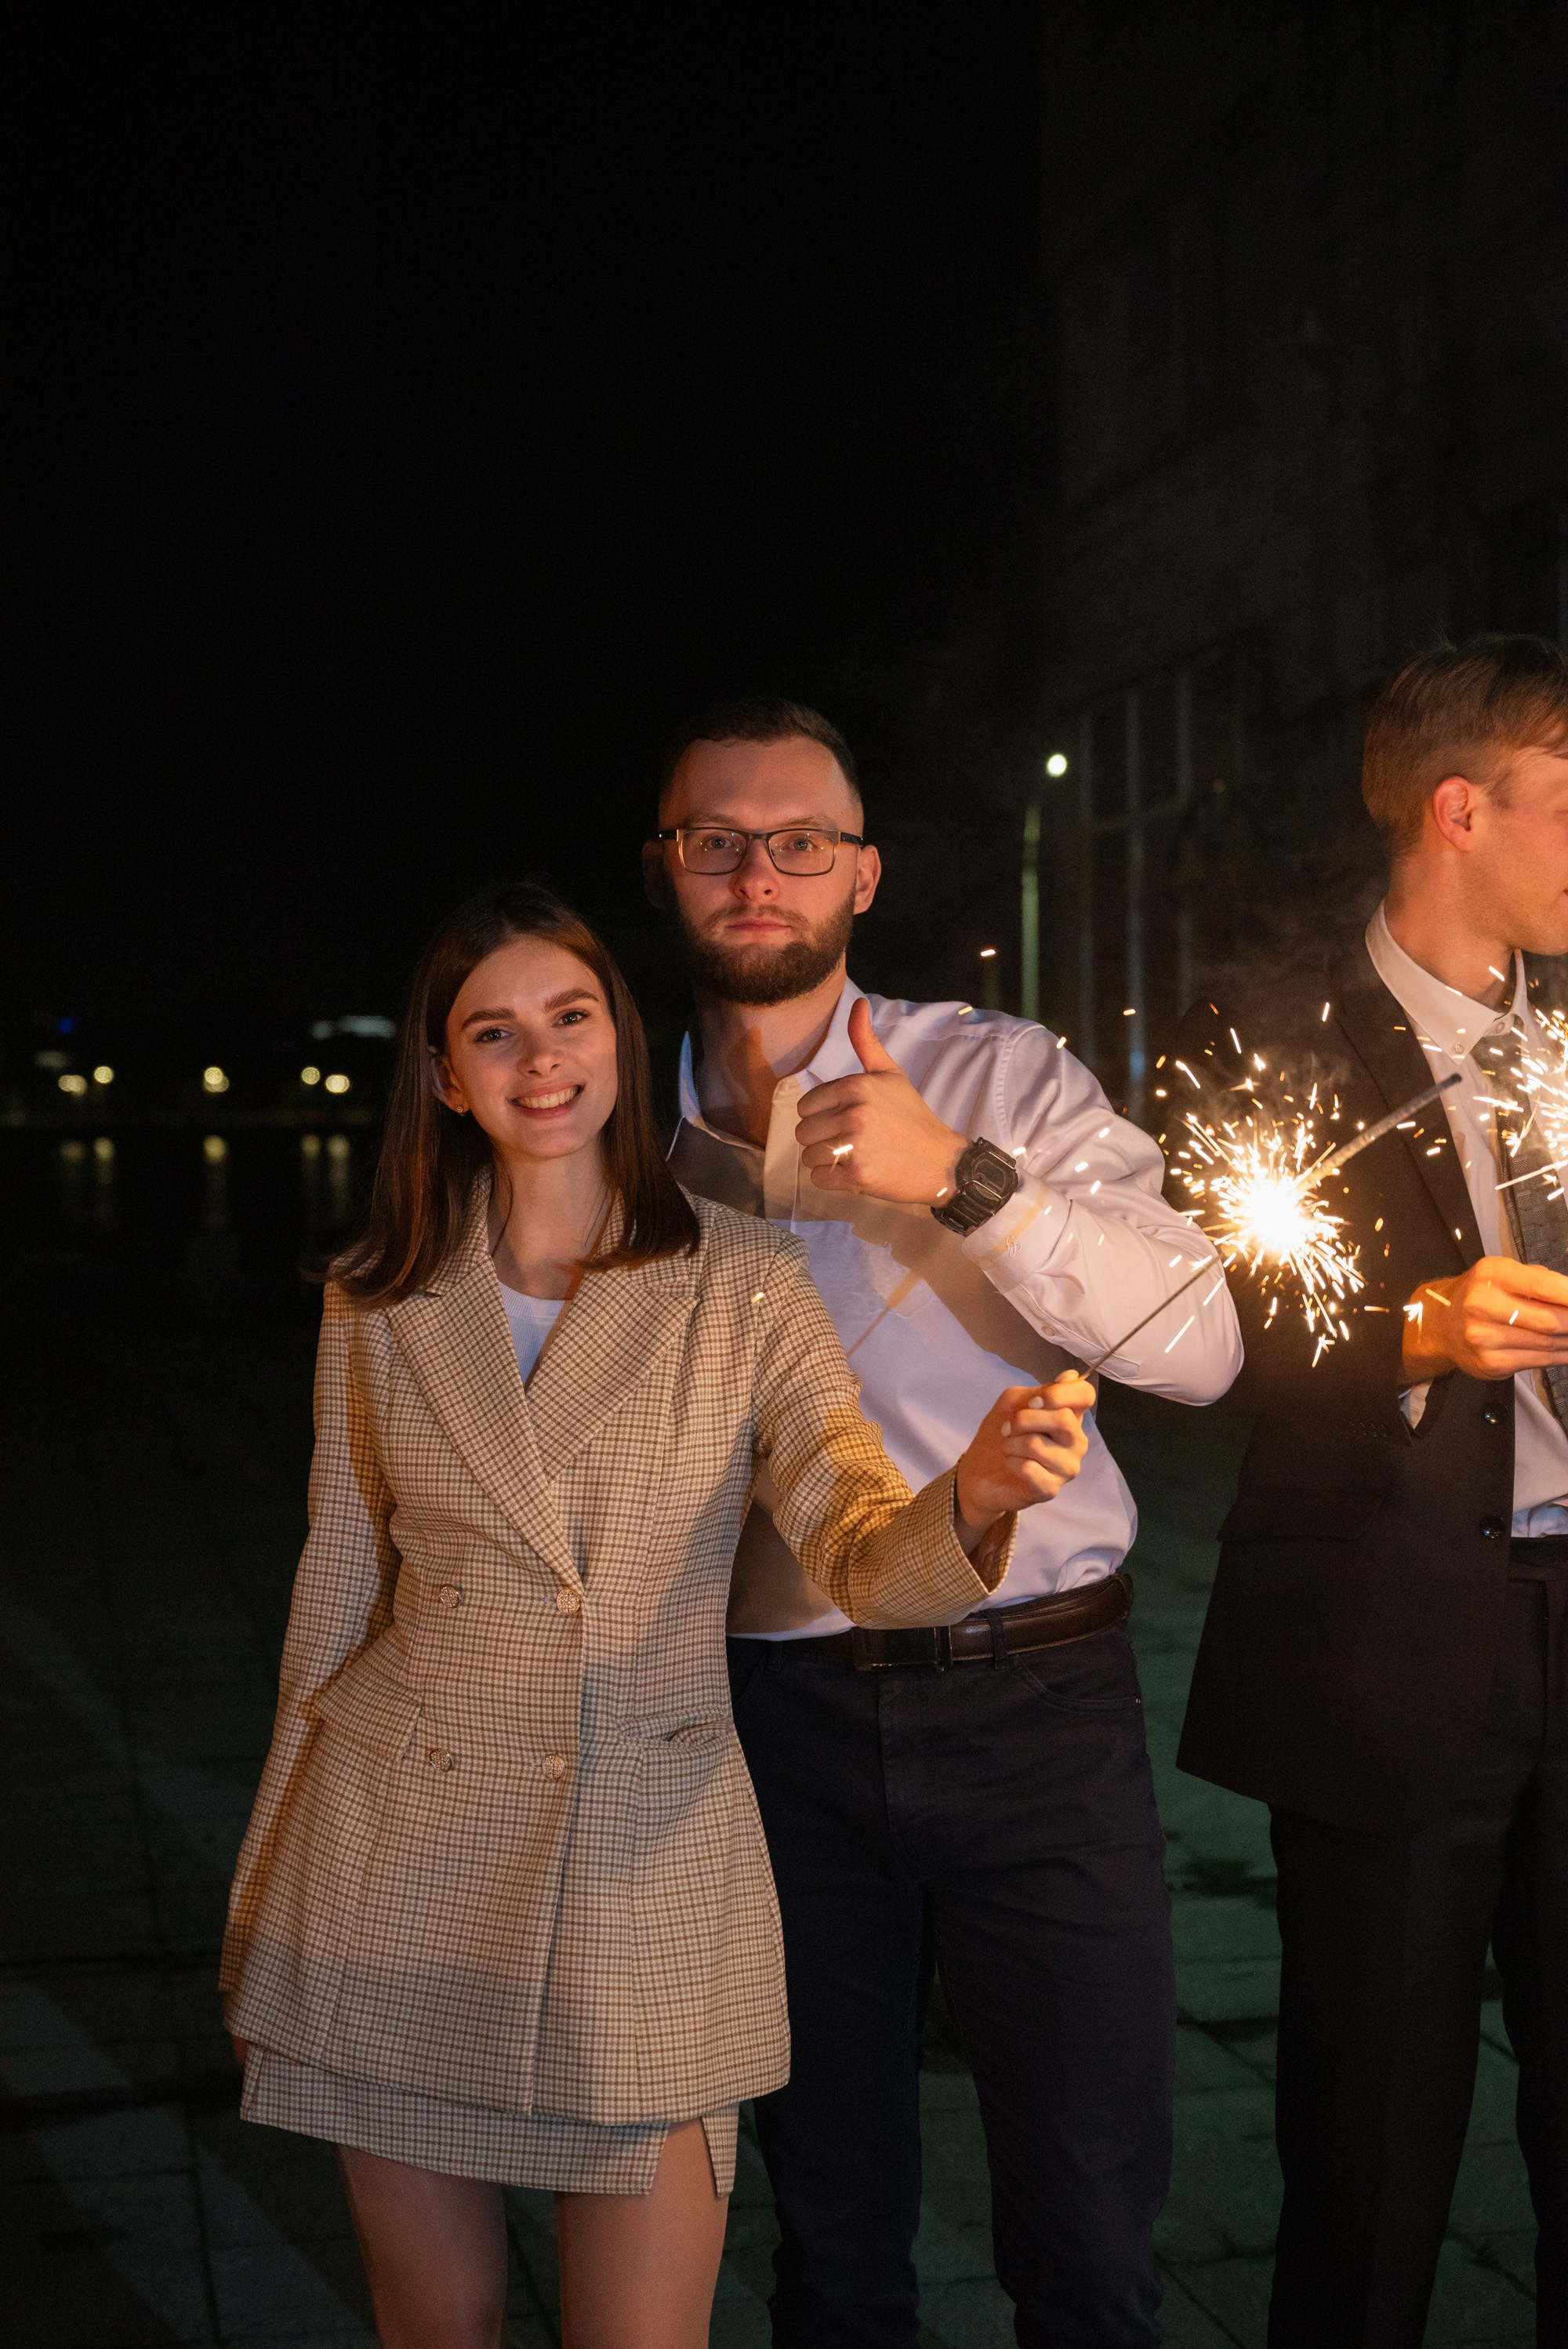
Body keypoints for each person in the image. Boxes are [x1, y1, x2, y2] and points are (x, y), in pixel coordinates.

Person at [220, 880, 1093, 2349]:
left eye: (569, 1017)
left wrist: (982, 1494)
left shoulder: (740, 1278)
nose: (538, 1057)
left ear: (621, 1042)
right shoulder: (379, 1296)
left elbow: (860, 1548)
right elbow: (333, 1598)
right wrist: (261, 1917)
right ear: (444, 1075)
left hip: (645, 1867)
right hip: (387, 1870)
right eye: (492, 1031)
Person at [646, 699, 1243, 2347]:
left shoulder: (993, 1071)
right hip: (768, 1731)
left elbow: (1202, 1344)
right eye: (717, 839)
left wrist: (962, 1175)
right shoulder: (617, 1129)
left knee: (1087, 2237)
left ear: (863, 874)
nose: (758, 870)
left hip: (1032, 1705)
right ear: (667, 869)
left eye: (800, 842)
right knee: (829, 2241)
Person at [1169, 634, 1568, 2346]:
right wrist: (1417, 1324)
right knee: (1370, 2139)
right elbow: (1210, 1322)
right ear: (1459, 808)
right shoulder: (1266, 1035)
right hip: (1390, 1641)